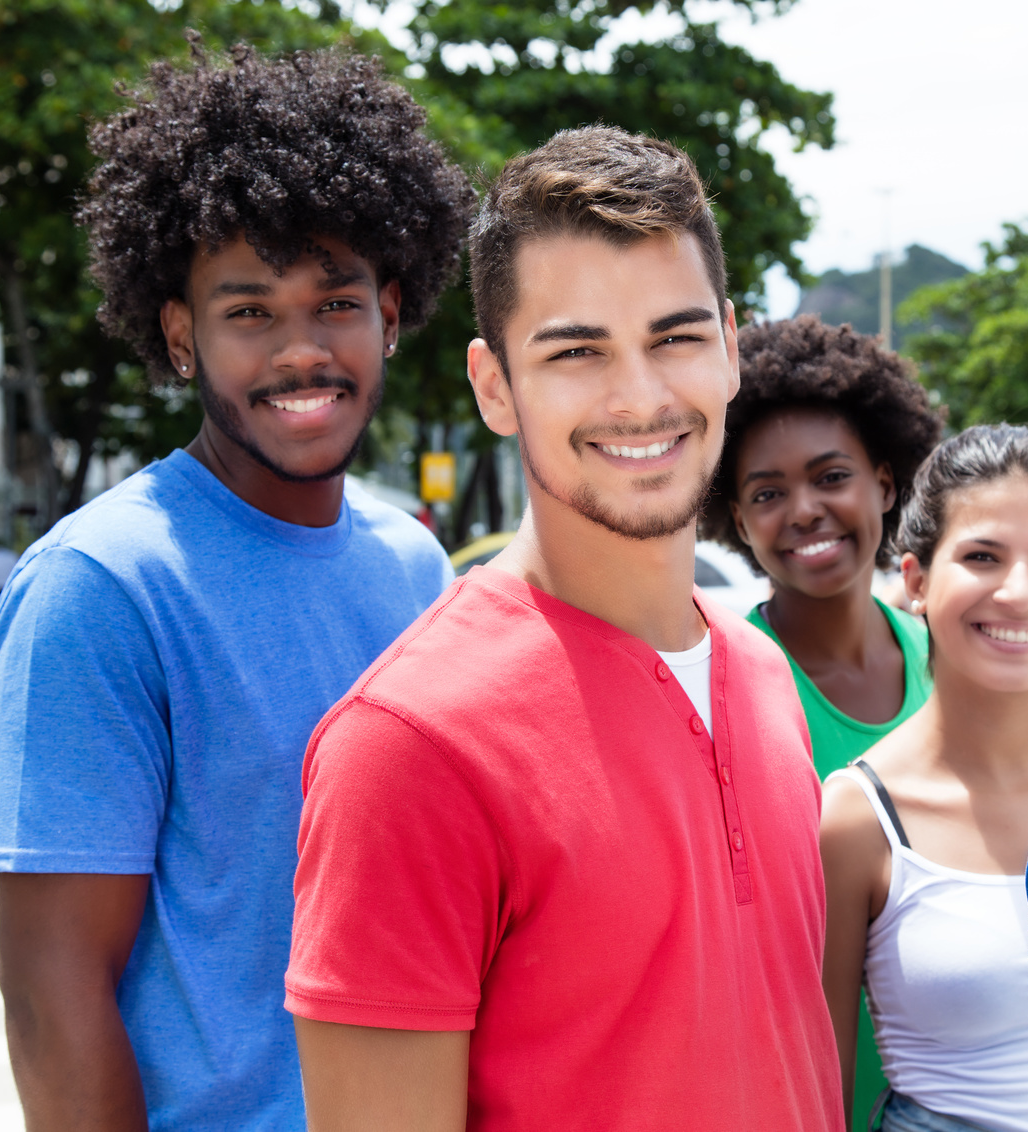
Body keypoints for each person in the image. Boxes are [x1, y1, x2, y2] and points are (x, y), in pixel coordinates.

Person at [284, 127, 843, 1131]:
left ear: (727, 347)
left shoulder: (760, 668)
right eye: (577, 350)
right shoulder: (407, 745)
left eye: (674, 336)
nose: (639, 394)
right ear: (494, 386)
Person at [0, 43, 471, 1131]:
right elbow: (51, 999)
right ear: (179, 336)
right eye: (249, 311)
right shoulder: (98, 588)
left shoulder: (414, 565)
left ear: (390, 313)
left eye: (335, 300)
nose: (303, 350)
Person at [822, 424, 1028, 1132]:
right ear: (916, 580)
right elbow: (817, 1083)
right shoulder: (857, 817)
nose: (1018, 593)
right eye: (982, 556)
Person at [700, 313, 941, 1129]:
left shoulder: (958, 663)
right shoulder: (717, 681)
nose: (804, 510)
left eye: (830, 476)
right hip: (792, 1097)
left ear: (883, 481)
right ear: (736, 522)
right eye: (768, 494)